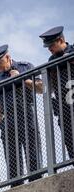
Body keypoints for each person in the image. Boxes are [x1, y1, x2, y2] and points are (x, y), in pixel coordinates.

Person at [0, 45, 43, 187]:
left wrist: (23, 78)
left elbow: (41, 88)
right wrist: (0, 123)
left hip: (26, 114)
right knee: (12, 159)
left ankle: (36, 183)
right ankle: (16, 186)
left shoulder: (26, 66)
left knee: (33, 152)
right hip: (8, 120)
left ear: (8, 57)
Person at [39, 26, 74, 161]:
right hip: (64, 109)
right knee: (70, 142)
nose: (49, 49)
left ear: (60, 40)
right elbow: (50, 85)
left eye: (51, 45)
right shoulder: (51, 60)